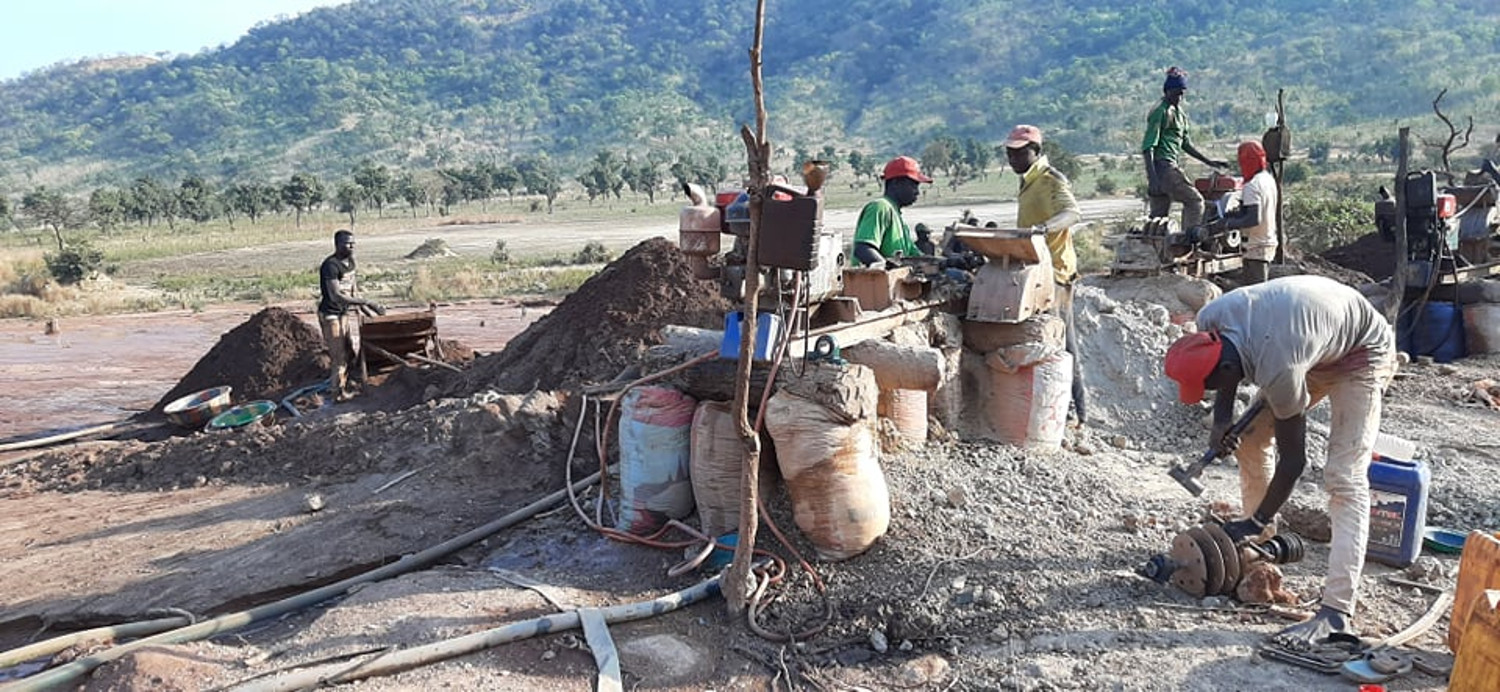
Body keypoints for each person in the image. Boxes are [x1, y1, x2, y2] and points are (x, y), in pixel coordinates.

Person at [1164, 275, 1397, 646]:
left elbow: (1294, 461)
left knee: (1344, 477)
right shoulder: (1210, 320)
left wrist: (1254, 519)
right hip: (1308, 338)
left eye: (1209, 386)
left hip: (1361, 352)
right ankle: (1260, 553)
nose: (1212, 391)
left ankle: (1337, 610)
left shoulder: (1279, 368)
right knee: (1250, 440)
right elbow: (1226, 370)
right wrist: (1222, 421)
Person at [1004, 124, 1088, 423]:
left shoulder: (1050, 179)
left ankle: (1072, 410)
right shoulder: (1028, 181)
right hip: (1037, 273)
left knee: (1060, 342)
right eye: (1009, 153)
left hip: (1055, 275)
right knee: (1056, 340)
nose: (1012, 159)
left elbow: (1072, 213)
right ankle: (1070, 409)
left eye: (1019, 153)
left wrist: (1043, 228)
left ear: (1036, 151)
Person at [1141, 67, 1229, 233]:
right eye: (1176, 93)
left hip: (1166, 168)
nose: (1179, 97)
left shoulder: (1180, 115)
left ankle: (1161, 247)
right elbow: (1148, 147)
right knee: (1195, 201)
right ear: (1167, 91)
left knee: (1158, 221)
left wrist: (1209, 162)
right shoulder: (1160, 111)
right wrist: (1153, 179)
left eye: (1182, 94)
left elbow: (1186, 144)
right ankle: (1189, 240)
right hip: (1164, 166)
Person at [318, 230, 384, 402]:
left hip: (343, 313)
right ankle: (337, 393)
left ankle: (348, 383)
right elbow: (336, 295)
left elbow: (353, 289)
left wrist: (367, 312)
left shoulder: (351, 262)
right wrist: (367, 302)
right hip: (331, 315)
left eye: (353, 243)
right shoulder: (330, 266)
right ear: (337, 245)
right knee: (338, 356)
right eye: (347, 243)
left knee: (348, 350)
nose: (352, 246)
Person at [851, 156, 931, 267]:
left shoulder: (898, 217)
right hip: (871, 278)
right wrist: (890, 269)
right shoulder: (880, 207)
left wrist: (945, 262)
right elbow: (863, 249)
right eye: (913, 185)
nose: (917, 192)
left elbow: (915, 257)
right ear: (896, 183)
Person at [1221, 140, 1279, 284]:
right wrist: (1235, 215)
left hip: (1255, 247)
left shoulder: (1252, 186)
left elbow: (1253, 219)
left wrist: (1227, 224)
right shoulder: (1268, 180)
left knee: (1256, 292)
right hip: (1267, 243)